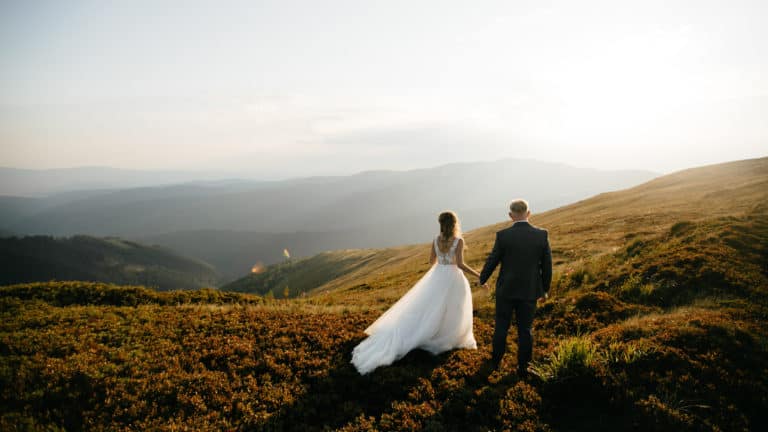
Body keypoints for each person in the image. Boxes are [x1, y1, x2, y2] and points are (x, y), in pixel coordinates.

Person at [351, 211, 479, 375]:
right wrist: (478, 274)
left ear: (440, 224)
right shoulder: (459, 241)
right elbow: (460, 264)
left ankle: (429, 331)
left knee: (431, 307)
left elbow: (431, 261)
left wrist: (442, 260)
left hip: (438, 276)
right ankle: (446, 335)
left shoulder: (436, 240)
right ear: (455, 224)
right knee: (454, 308)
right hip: (453, 278)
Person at [479, 199, 552, 378]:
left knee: (501, 326)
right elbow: (547, 265)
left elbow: (493, 260)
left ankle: (495, 362)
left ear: (511, 216)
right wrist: (544, 289)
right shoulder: (541, 235)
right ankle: (523, 368)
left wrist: (482, 278)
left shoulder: (503, 235)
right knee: (525, 329)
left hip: (506, 290)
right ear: (529, 213)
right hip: (529, 290)